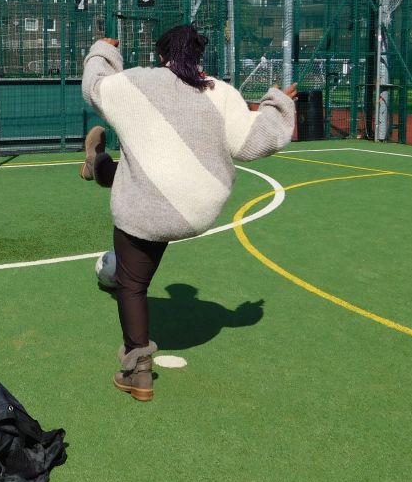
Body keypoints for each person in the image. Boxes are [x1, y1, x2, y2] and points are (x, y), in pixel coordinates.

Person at [80, 24, 297, 402]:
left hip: (149, 206)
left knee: (132, 286)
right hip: (197, 209)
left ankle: (137, 372)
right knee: (140, 166)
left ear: (161, 55)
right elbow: (255, 142)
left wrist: (103, 49)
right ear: (199, 56)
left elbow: (95, 86)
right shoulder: (222, 93)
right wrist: (277, 104)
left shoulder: (140, 82)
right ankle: (97, 166)